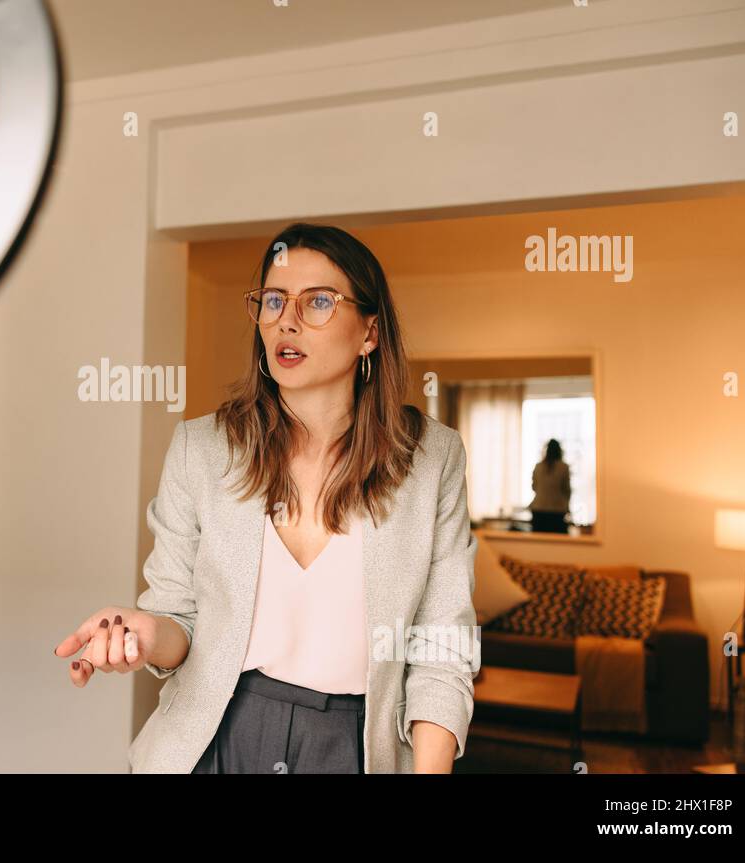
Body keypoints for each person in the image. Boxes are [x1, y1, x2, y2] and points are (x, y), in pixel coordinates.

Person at [53, 222, 479, 773]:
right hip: (215, 738)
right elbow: (176, 620)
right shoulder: (201, 449)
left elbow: (442, 649)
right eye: (274, 300)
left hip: (353, 747)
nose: (287, 320)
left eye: (318, 301)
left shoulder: (433, 460)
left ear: (369, 332)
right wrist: (140, 632)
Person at [528, 439, 571, 533]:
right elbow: (566, 490)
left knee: (539, 541)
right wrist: (568, 507)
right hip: (557, 511)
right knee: (557, 543)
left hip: (538, 510)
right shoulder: (564, 467)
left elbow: (534, 487)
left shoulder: (538, 466)